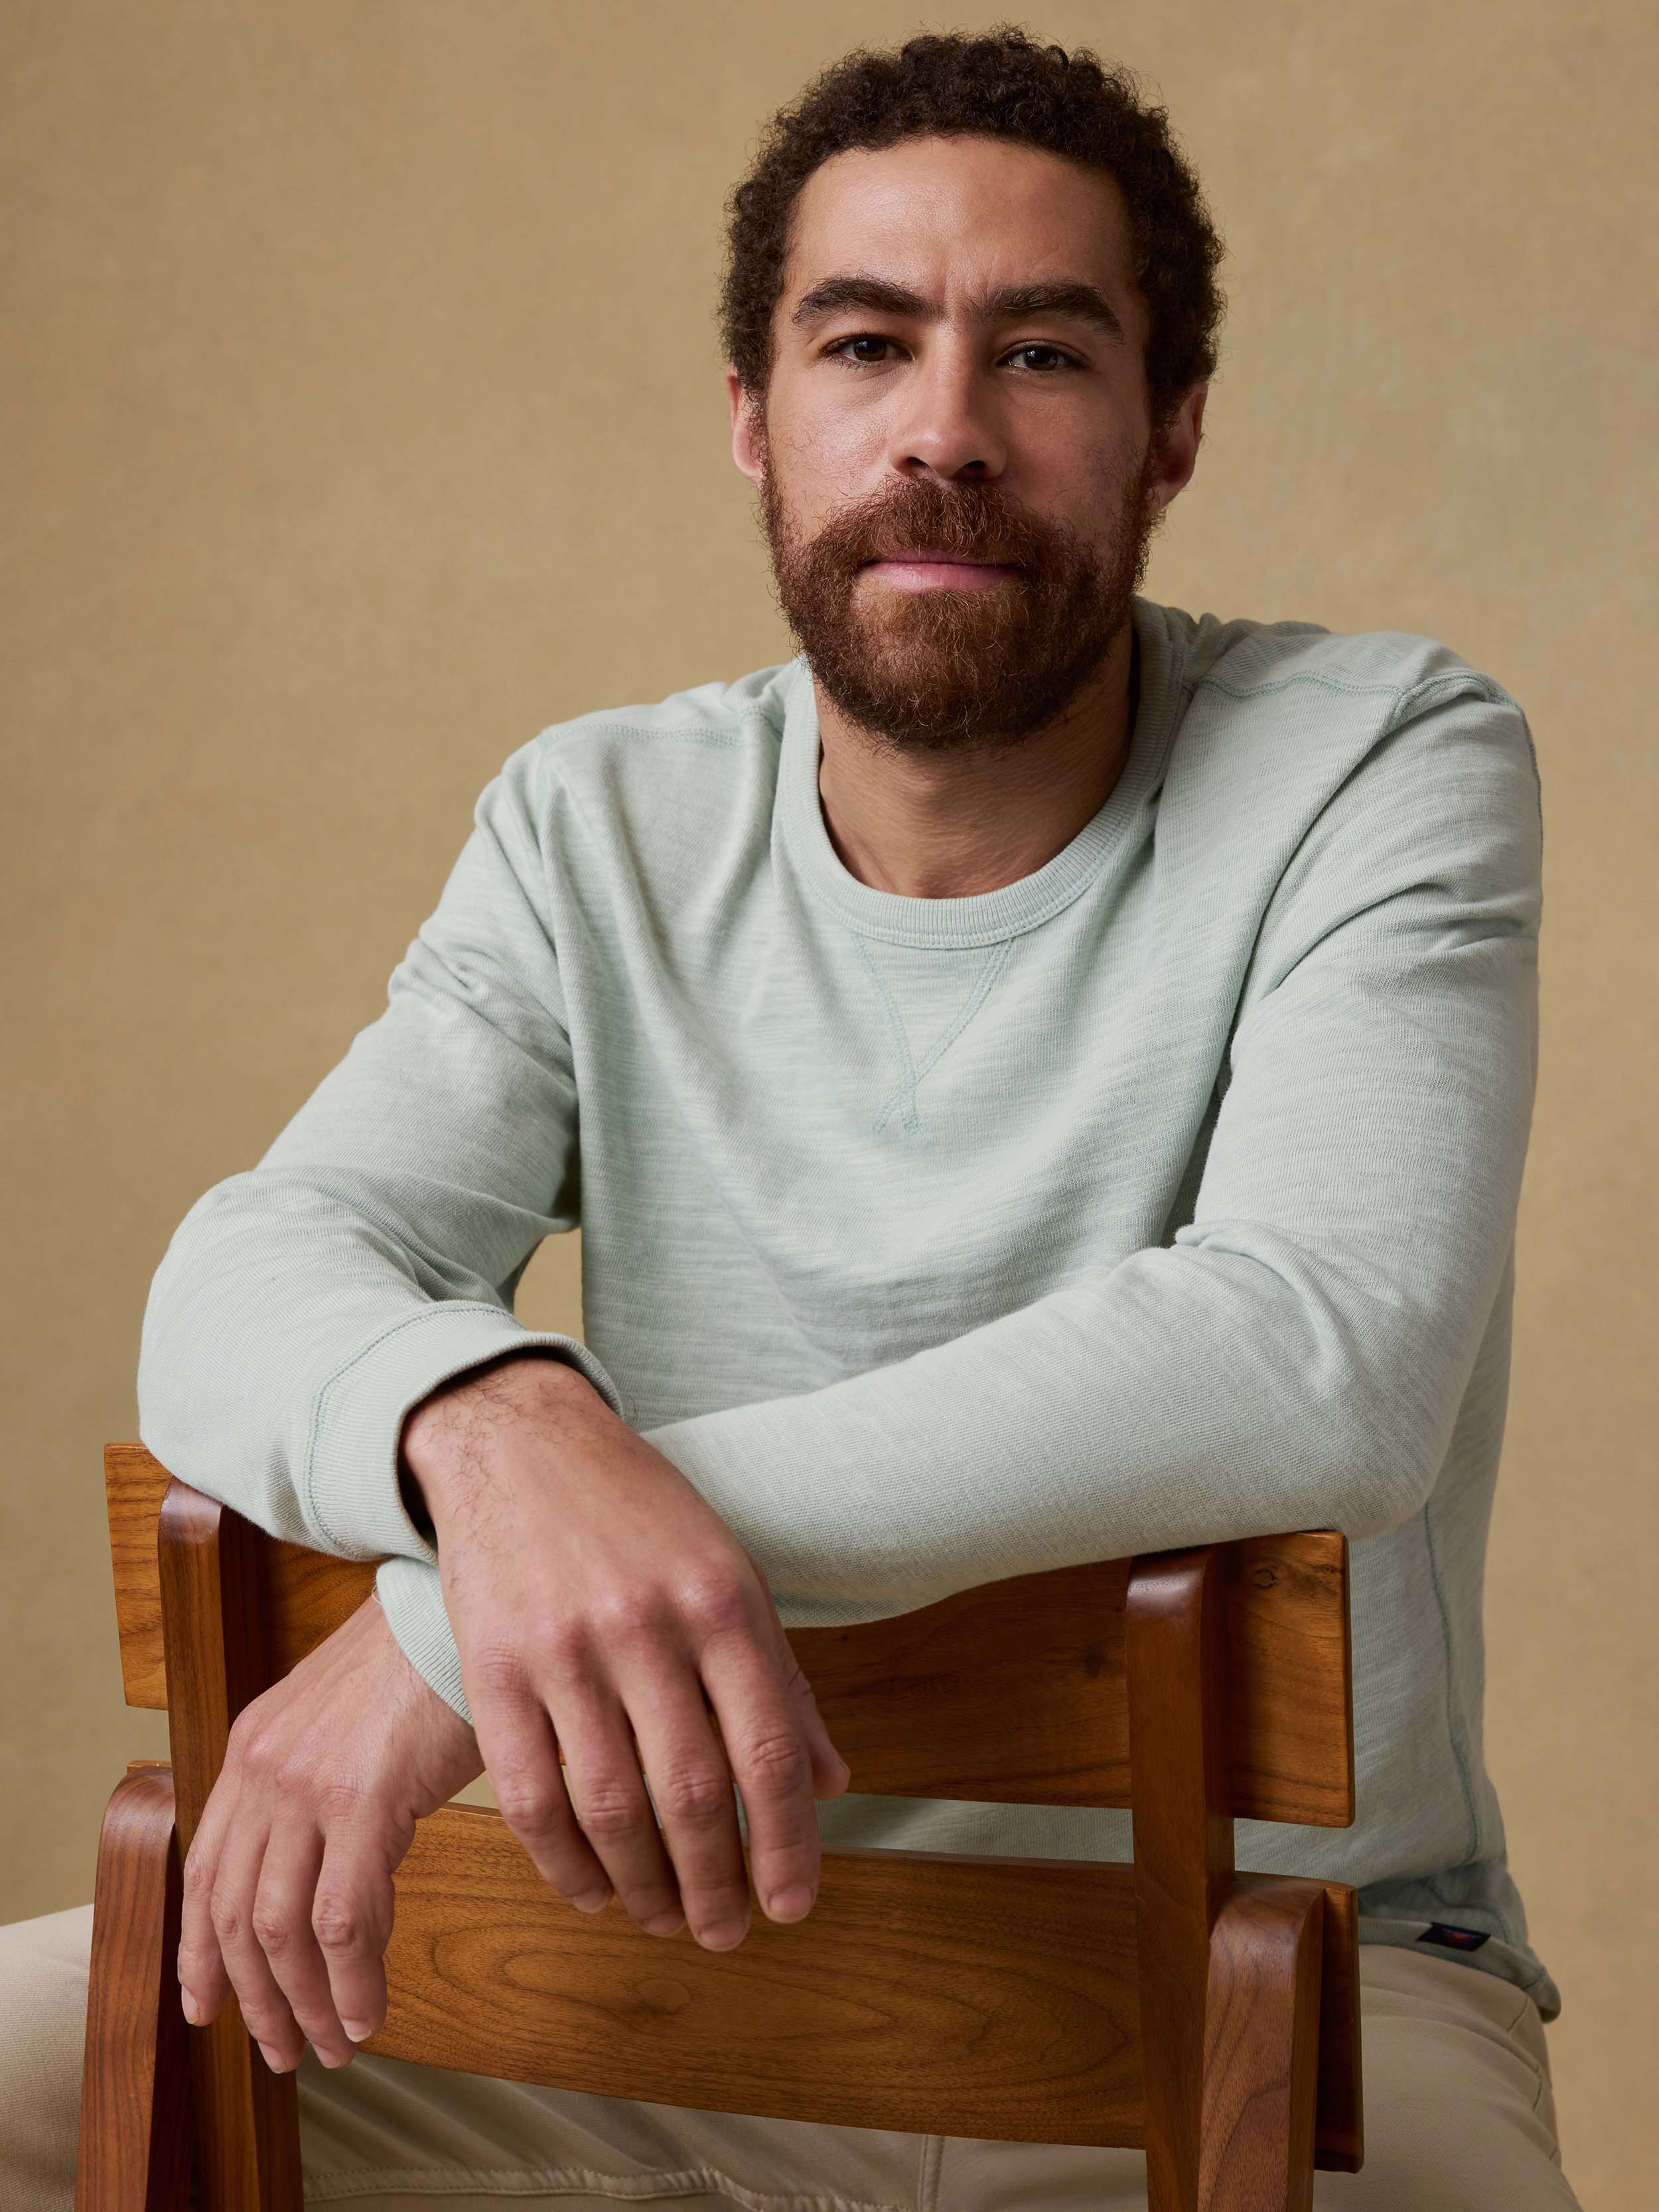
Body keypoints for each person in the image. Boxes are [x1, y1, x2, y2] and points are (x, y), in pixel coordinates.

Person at [1, 27, 1580, 2212]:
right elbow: (244, 1276)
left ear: (1170, 431)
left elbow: (1321, 1346)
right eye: (866, 342)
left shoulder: (1378, 759)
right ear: (753, 419)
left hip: (1269, 1976)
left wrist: (453, 1628)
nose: (943, 431)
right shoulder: (595, 823)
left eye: (1040, 350)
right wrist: (507, 1436)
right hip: (658, 1950)